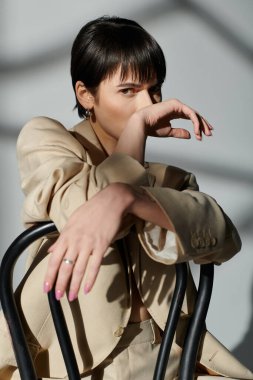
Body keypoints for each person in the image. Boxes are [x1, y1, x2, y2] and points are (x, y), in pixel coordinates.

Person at [0, 15, 252, 380]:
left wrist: (131, 197)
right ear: (85, 94)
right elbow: (78, 210)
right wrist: (132, 144)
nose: (147, 105)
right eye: (129, 91)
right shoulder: (46, 140)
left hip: (167, 357)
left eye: (154, 90)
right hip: (77, 361)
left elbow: (223, 237)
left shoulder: (167, 179)